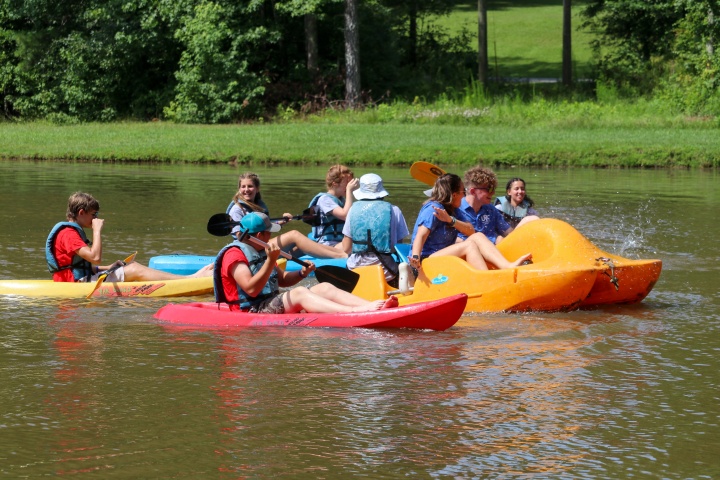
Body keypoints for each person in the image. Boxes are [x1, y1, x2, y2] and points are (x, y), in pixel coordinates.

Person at [214, 212, 398, 313]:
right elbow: (251, 289)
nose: (273, 235)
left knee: (324, 287)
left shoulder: (261, 249)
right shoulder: (234, 255)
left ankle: (371, 305)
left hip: (268, 302)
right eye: (270, 232)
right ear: (260, 235)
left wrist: (302, 273)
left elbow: (283, 280)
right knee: (300, 293)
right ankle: (354, 311)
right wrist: (271, 261)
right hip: (251, 311)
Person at [47, 192, 213, 283]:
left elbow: (87, 266)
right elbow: (95, 258)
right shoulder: (69, 234)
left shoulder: (69, 232)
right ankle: (190, 279)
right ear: (81, 213)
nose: (97, 218)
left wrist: (109, 267)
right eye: (94, 214)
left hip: (78, 279)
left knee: (131, 266)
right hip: (75, 285)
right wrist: (97, 231)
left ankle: (185, 278)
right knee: (135, 269)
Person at [408, 174, 532, 272]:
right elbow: (421, 235)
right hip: (425, 260)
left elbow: (471, 230)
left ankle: (507, 266)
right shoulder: (434, 209)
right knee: (469, 245)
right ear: (454, 195)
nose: (464, 196)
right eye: (463, 192)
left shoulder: (453, 211)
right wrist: (415, 259)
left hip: (444, 257)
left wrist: (451, 221)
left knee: (477, 236)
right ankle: (486, 279)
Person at [228, 172, 347, 260]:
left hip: (261, 247)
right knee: (294, 235)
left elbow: (265, 229)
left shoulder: (258, 206)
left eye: (250, 186)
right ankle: (341, 256)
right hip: (248, 251)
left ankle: (335, 252)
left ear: (257, 189)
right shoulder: (237, 209)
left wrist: (281, 222)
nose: (246, 190)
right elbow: (240, 237)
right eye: (243, 187)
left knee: (302, 246)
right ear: (239, 189)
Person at [341, 173, 409, 287]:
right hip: (386, 273)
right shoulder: (394, 210)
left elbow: (346, 249)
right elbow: (397, 247)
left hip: (355, 270)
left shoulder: (352, 210)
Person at [454, 166, 514, 245]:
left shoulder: (491, 209)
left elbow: (509, 232)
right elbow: (446, 238)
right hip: (470, 250)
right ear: (473, 191)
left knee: (530, 219)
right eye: (489, 189)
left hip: (496, 249)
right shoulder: (456, 208)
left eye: (493, 189)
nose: (493, 193)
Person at [307, 165, 359, 248]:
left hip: (340, 241)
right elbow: (345, 215)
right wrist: (349, 191)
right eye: (347, 183)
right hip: (328, 244)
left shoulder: (342, 200)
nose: (350, 186)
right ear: (335, 184)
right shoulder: (325, 200)